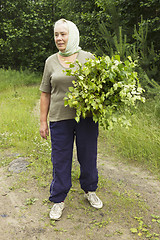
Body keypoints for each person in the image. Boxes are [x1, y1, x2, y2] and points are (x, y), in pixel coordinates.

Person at [39, 19, 103, 220]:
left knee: (88, 156)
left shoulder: (88, 58)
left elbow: (100, 87)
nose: (59, 38)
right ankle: (58, 199)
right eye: (56, 34)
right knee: (60, 160)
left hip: (86, 118)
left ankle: (90, 190)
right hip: (59, 119)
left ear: (72, 35)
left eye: (63, 34)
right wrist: (43, 121)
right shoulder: (50, 62)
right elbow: (45, 93)